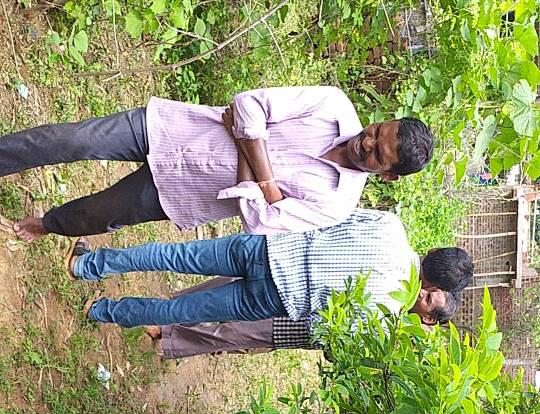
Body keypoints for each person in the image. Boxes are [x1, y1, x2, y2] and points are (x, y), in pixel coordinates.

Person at [1, 87, 433, 242]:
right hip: (175, 129)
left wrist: (248, 145)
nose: (366, 141)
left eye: (377, 154)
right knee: (70, 139)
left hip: (183, 194)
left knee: (95, 215)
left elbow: (260, 221)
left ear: (387, 175)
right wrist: (265, 184)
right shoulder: (332, 105)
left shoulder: (337, 204)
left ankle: (45, 225)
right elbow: (248, 104)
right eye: (378, 130)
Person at [67, 210, 465, 337]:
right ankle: (101, 311)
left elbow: (328, 216)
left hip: (268, 248)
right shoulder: (386, 313)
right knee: (180, 312)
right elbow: (324, 326)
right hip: (273, 298)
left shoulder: (390, 226)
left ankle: (87, 265)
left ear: (433, 251)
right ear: (434, 286)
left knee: (174, 255)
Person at [147, 246, 472, 360]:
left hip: (296, 326)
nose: (422, 295)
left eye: (429, 299)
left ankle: (168, 334)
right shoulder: (395, 272)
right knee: (227, 292)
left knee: (230, 334)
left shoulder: (392, 326)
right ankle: (168, 314)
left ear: (429, 318)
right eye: (428, 292)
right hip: (296, 287)